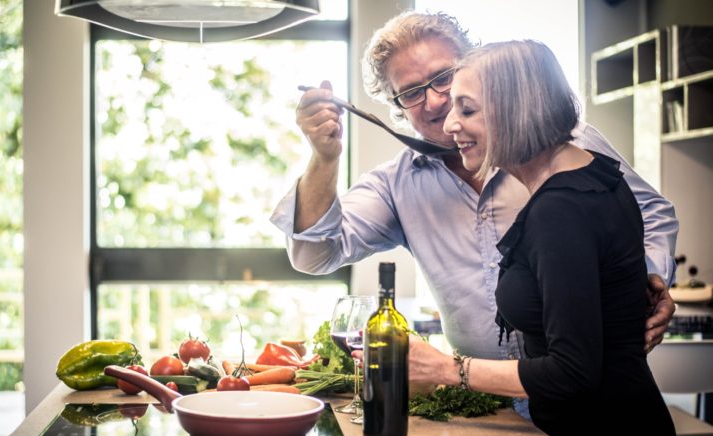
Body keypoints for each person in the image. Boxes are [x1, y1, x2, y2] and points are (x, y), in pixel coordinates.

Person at [271, 11, 677, 381]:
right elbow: (314, 254)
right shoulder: (395, 185)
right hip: (482, 395)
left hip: (583, 391)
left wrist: (640, 285)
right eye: (411, 93)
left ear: (472, 67)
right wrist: (325, 158)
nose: (435, 101)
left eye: (443, 77)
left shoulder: (561, 145)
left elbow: (651, 212)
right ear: (397, 107)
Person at [406, 39, 677, 436]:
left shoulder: (559, 210)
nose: (450, 125)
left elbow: (572, 372)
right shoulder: (595, 173)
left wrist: (447, 369)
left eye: (467, 109)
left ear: (515, 109)